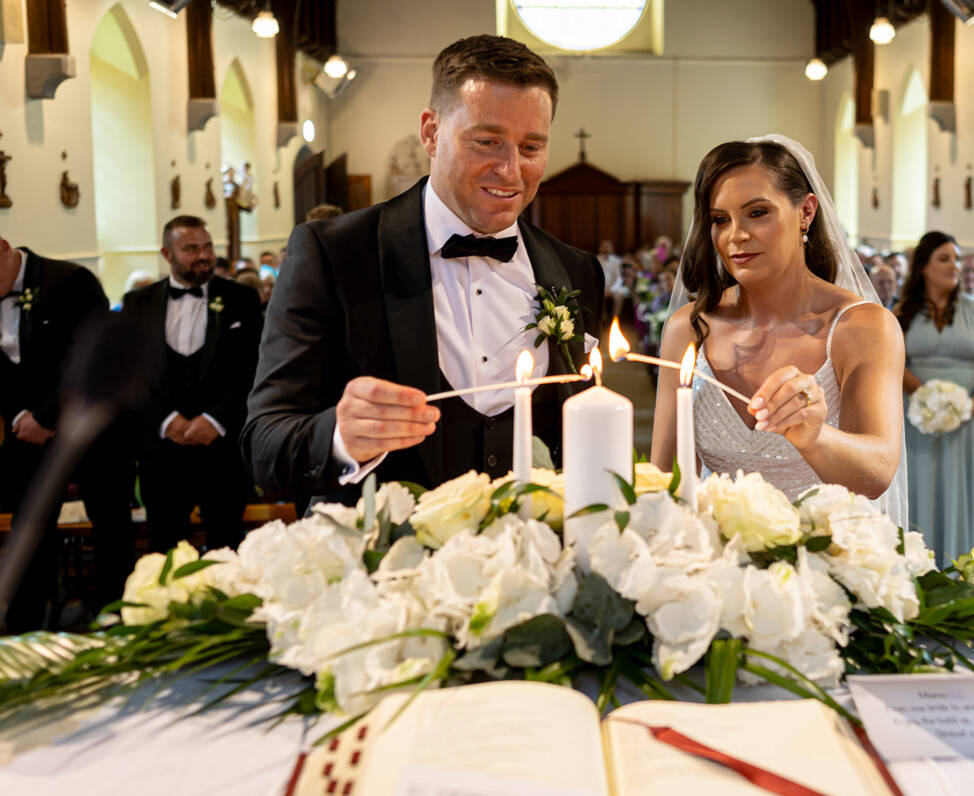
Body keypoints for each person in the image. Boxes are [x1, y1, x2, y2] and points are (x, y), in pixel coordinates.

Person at [242, 35, 604, 504]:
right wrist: (339, 437)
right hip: (382, 566)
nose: (511, 170)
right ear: (431, 133)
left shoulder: (577, 272)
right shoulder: (334, 255)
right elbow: (264, 447)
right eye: (487, 141)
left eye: (531, 146)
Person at [649, 136, 907, 527]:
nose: (736, 234)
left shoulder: (862, 327)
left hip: (822, 559)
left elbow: (878, 473)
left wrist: (815, 436)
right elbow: (664, 477)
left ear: (806, 211)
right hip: (712, 562)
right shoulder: (688, 329)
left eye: (757, 212)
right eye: (720, 219)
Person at [0, 238, 136, 631]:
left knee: (110, 528)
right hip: (26, 436)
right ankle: (26, 629)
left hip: (96, 433)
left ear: (6, 249)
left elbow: (91, 361)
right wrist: (21, 417)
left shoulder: (72, 281)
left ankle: (114, 622)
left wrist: (46, 417)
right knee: (30, 533)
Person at [122, 216, 263, 552]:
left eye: (208, 246)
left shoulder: (242, 298)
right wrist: (165, 420)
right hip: (161, 453)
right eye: (191, 249)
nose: (204, 255)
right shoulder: (137, 303)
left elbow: (253, 367)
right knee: (165, 549)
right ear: (167, 254)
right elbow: (129, 373)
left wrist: (215, 419)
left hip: (222, 450)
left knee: (226, 546)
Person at [894, 232, 974, 566]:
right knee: (922, 488)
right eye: (944, 259)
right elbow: (895, 363)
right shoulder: (902, 312)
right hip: (918, 417)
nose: (954, 266)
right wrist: (925, 396)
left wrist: (969, 408)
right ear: (923, 267)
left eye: (956, 259)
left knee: (966, 493)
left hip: (971, 419)